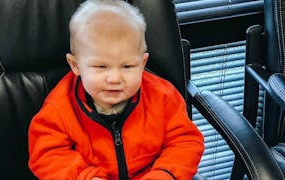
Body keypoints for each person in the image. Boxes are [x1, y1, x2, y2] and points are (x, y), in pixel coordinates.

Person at [28, 0, 204, 179]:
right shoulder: (59, 108)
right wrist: (84, 177)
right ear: (76, 65)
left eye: (127, 66)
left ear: (142, 63)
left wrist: (165, 174)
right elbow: (47, 155)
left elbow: (185, 142)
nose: (114, 79)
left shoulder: (163, 96)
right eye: (101, 66)